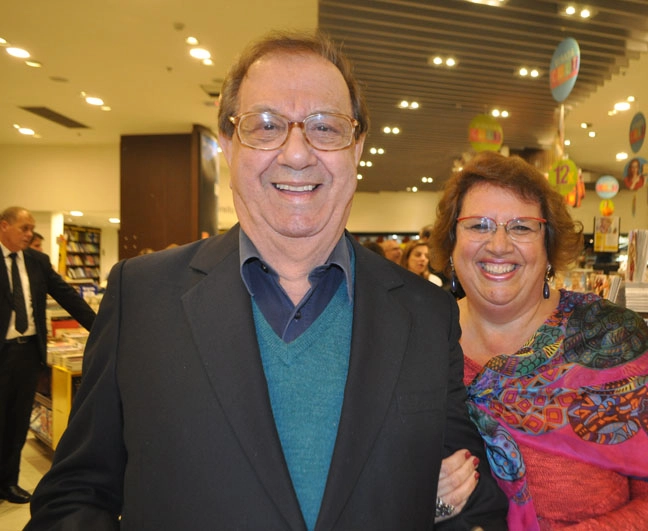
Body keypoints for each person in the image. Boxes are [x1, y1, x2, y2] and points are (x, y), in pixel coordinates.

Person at [25, 32, 506, 530]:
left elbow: (472, 493)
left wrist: (435, 509)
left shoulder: (425, 314)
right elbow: (76, 495)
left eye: (325, 126)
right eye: (267, 124)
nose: (297, 153)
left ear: (356, 146)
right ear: (228, 144)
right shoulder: (142, 297)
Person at [429, 152, 648, 529]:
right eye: (478, 225)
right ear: (451, 244)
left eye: (522, 227)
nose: (498, 244)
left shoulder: (614, 339)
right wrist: (424, 505)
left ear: (549, 246)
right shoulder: (418, 343)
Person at [0, 207, 96, 504]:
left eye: (31, 229)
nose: (30, 234)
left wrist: (101, 326)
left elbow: (66, 296)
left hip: (28, 353)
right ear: (4, 226)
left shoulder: (37, 262)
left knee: (18, 422)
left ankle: (8, 483)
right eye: (24, 228)